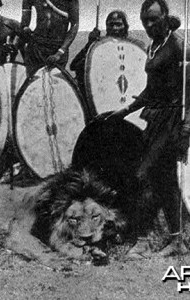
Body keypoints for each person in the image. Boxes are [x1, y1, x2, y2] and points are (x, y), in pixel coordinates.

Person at [101, 0, 190, 259]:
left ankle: (141, 239)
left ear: (165, 17)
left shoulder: (180, 46)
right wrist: (125, 111)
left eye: (154, 19)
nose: (150, 25)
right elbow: (150, 91)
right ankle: (177, 241)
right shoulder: (154, 46)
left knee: (143, 174)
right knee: (166, 181)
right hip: (156, 118)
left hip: (173, 120)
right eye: (145, 21)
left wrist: (187, 127)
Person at [70, 10, 144, 99]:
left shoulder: (135, 45)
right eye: (111, 25)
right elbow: (73, 66)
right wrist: (90, 44)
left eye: (118, 24)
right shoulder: (99, 45)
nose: (115, 28)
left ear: (125, 26)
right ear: (107, 27)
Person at [21, 0, 79, 76]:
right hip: (36, 47)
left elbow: (74, 25)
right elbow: (24, 22)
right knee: (32, 84)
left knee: (56, 83)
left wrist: (59, 52)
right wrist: (25, 28)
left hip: (57, 47)